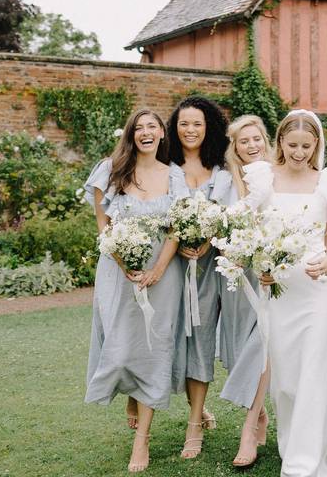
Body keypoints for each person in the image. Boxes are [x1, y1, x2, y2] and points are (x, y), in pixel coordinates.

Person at [243, 110, 327, 476]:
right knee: (286, 377)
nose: (299, 152)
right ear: (280, 142)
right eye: (292, 144)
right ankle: (304, 441)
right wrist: (260, 267)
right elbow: (252, 236)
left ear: (316, 145)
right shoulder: (263, 180)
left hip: (317, 291)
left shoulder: (326, 183)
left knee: (313, 370)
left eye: (306, 145)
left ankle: (302, 464)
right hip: (280, 294)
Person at [83, 109, 186, 473]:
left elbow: (177, 228)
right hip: (118, 273)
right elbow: (103, 226)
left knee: (154, 347)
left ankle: (142, 439)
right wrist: (126, 264)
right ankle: (132, 392)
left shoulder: (175, 175)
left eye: (152, 127)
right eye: (138, 127)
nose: (145, 132)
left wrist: (158, 269)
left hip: (163, 275)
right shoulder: (110, 170)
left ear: (161, 133)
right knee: (120, 343)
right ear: (131, 134)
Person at [166, 96, 229, 459]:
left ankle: (193, 426)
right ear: (175, 128)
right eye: (184, 124)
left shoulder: (220, 171)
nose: (190, 130)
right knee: (174, 338)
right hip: (171, 266)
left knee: (201, 338)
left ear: (209, 128)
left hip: (207, 268)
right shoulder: (166, 166)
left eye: (197, 124)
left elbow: (226, 213)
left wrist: (206, 240)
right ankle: (197, 408)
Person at [216, 114, 274, 467]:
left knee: (263, 346)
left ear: (265, 141)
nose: (251, 146)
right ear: (235, 148)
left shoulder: (276, 175)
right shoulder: (227, 182)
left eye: (256, 139)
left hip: (269, 274)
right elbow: (221, 225)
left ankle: (248, 428)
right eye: (244, 141)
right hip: (238, 274)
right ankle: (262, 412)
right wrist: (231, 253)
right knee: (238, 351)